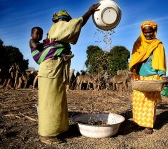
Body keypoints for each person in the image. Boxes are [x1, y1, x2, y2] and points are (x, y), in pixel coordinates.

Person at [37, 3, 100, 144]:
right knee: (50, 101)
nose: (66, 23)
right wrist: (89, 12)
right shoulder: (59, 26)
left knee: (58, 99)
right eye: (66, 20)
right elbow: (76, 25)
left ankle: (60, 129)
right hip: (51, 70)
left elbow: (72, 30)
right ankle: (47, 135)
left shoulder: (56, 30)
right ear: (62, 19)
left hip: (54, 69)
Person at [129, 20, 167, 134]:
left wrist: (162, 75)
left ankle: (148, 126)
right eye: (145, 32)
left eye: (150, 32)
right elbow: (135, 58)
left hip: (152, 77)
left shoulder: (157, 44)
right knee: (138, 101)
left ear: (154, 31)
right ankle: (137, 122)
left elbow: (160, 60)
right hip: (140, 76)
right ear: (142, 32)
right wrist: (133, 69)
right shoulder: (138, 43)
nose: (148, 34)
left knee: (150, 103)